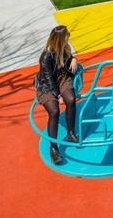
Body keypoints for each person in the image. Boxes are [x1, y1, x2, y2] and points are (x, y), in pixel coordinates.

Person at [34, 25, 79, 165]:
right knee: (54, 111)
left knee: (71, 100)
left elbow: (68, 58)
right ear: (59, 40)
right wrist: (58, 96)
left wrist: (73, 59)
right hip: (46, 85)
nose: (67, 40)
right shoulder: (46, 56)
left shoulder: (64, 48)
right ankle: (53, 148)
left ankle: (70, 133)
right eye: (66, 38)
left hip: (61, 77)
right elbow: (48, 79)